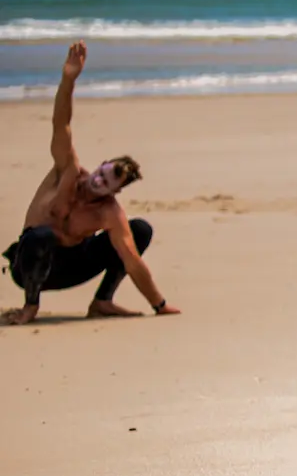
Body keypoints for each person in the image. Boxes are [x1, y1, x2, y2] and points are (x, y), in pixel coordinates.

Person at [3, 42, 181, 325]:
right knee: (41, 236)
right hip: (29, 268)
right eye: (102, 172)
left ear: (115, 191)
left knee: (139, 230)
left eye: (108, 182)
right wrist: (68, 80)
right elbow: (61, 124)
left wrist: (158, 304)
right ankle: (30, 307)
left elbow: (132, 260)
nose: (99, 180)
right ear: (100, 164)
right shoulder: (68, 171)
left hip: (71, 269)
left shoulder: (108, 212)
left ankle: (102, 301)